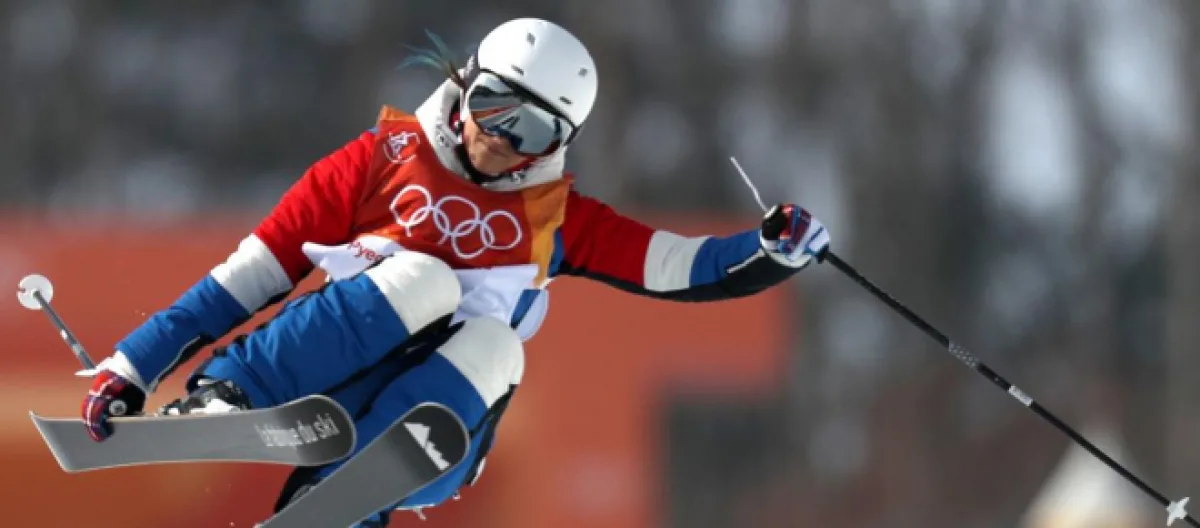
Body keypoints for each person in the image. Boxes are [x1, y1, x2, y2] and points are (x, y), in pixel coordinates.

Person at [77, 17, 831, 527]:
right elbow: (249, 273)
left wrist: (772, 247)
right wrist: (134, 367)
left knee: (500, 346)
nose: (499, 139)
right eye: (493, 105)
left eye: (530, 131)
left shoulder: (553, 217)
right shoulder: (382, 161)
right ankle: (230, 400)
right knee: (423, 280)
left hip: (435, 418)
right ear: (465, 85)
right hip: (319, 369)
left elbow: (677, 265)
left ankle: (345, 502)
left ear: (557, 144)